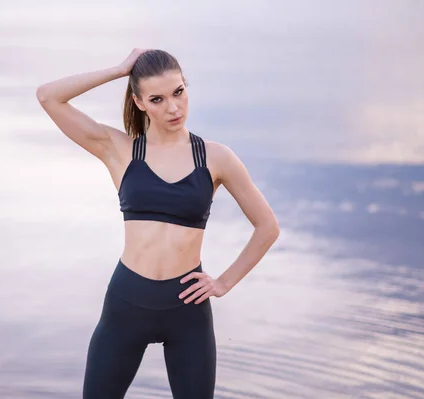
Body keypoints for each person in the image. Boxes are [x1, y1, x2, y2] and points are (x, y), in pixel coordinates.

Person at [36, 48, 280, 399]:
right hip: (127, 303)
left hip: (187, 309)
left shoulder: (215, 158)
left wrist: (224, 282)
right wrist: (120, 70)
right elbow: (48, 96)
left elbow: (267, 227)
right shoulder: (118, 149)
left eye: (178, 92)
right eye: (157, 99)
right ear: (139, 102)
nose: (173, 108)